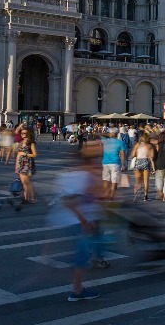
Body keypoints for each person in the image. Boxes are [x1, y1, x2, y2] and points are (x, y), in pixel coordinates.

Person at [50, 141, 108, 302]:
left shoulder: (76, 173)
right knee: (81, 256)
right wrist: (84, 221)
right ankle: (77, 290)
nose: (98, 160)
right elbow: (69, 201)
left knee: (82, 255)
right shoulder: (79, 175)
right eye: (95, 157)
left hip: (77, 221)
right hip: (77, 222)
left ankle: (77, 288)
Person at [100, 128, 126, 200]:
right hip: (116, 163)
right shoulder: (120, 142)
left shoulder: (105, 141)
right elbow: (122, 154)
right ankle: (111, 196)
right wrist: (123, 164)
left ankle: (107, 194)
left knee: (106, 179)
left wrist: (108, 134)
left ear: (111, 134)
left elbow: (100, 134)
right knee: (114, 180)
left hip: (105, 162)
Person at [131, 133, 153, 202]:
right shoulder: (149, 146)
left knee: (138, 180)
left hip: (138, 161)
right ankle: (146, 196)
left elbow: (132, 155)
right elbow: (152, 156)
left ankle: (136, 193)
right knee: (146, 181)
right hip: (145, 161)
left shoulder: (137, 145)